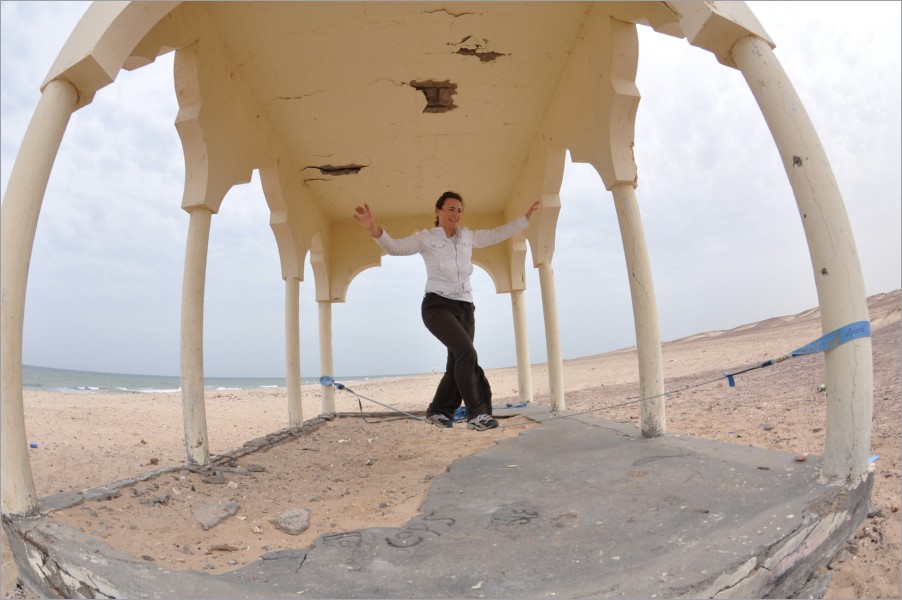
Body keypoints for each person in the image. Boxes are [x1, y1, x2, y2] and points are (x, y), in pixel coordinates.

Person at [353, 191, 539, 431]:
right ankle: (476, 414)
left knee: (457, 362)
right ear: (438, 211)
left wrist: (524, 219)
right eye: (451, 209)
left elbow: (496, 234)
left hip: (465, 307)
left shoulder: (468, 237)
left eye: (460, 210)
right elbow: (396, 248)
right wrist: (373, 229)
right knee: (467, 354)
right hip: (437, 306)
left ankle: (439, 411)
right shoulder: (426, 238)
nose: (456, 214)